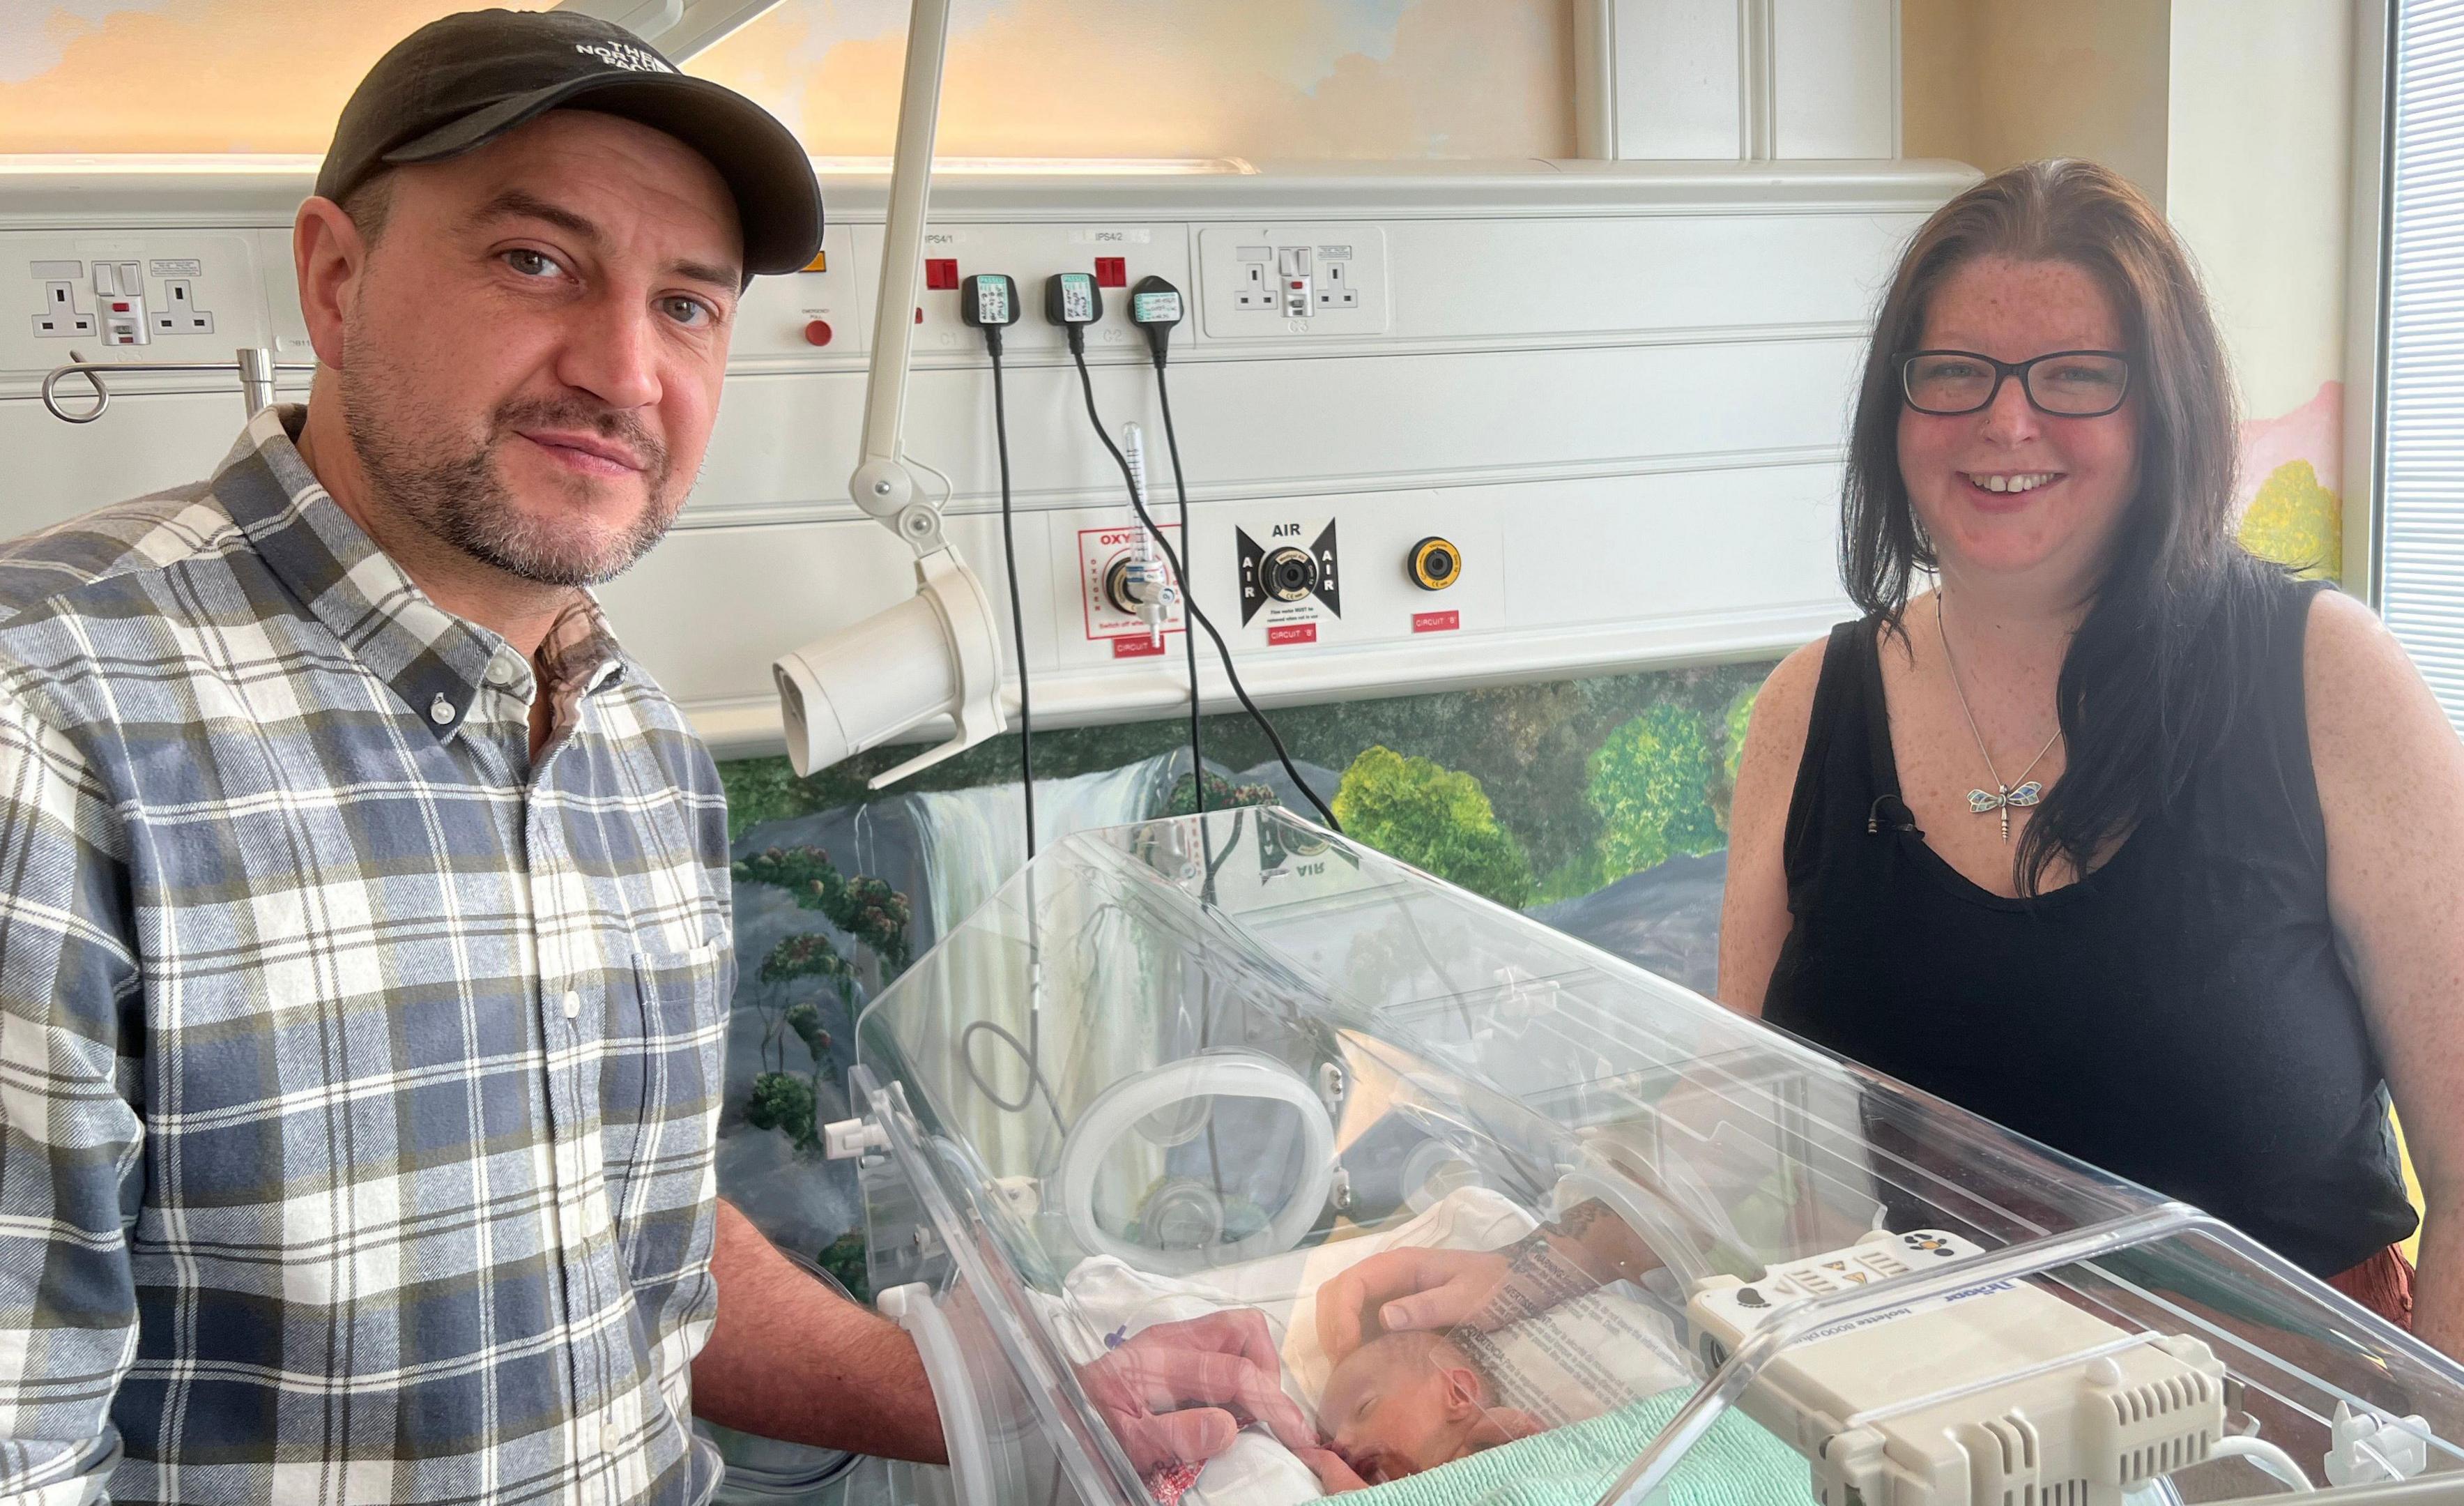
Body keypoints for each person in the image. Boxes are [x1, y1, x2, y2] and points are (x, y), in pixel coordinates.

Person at [0, 13, 1312, 1503]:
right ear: (336, 279)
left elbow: (634, 1250)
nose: (622, 370)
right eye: (536, 263)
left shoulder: (632, 746)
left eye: (687, 304)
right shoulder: (54, 722)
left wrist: (1035, 1399)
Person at [1713, 160, 2464, 1410]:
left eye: (2077, 376)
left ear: (2165, 411)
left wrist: (2435, 1493)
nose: (2008, 425)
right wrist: (1524, 1269)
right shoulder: (1809, 711)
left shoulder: (2326, 681)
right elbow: (1721, 1121)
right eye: (1953, 373)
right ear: (1893, 414)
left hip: (2280, 1460)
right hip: (1912, 1443)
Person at [1314, 1330, 1545, 1489]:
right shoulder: (1406, 1491)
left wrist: (1521, 1434)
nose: (1341, 1443)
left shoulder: (1499, 1445)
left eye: (1364, 1408)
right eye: (1332, 1443)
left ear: (1458, 1393)